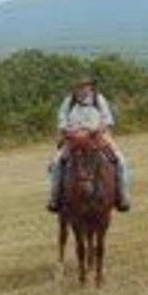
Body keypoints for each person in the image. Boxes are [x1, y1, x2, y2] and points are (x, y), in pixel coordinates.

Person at [46, 73, 131, 213]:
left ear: (91, 87)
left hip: (98, 137)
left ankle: (122, 197)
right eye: (78, 87)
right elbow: (61, 121)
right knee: (55, 164)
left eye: (85, 86)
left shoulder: (99, 99)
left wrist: (95, 131)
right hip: (74, 139)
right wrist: (70, 133)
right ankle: (54, 199)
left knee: (121, 161)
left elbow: (108, 120)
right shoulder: (69, 101)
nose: (82, 90)